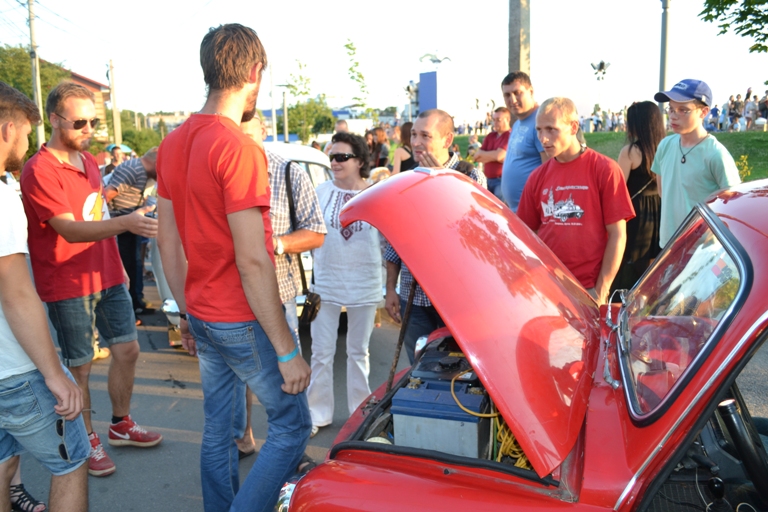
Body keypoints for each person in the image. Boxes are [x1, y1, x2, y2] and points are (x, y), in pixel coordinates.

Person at [156, 24, 311, 512]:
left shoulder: (173, 142)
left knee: (218, 427)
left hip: (203, 311)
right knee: (292, 425)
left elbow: (167, 240)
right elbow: (252, 258)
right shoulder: (238, 146)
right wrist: (287, 351)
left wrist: (185, 312)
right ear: (253, 72)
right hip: (239, 317)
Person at [20, 81, 162, 478]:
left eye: (93, 121)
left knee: (128, 350)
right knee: (80, 367)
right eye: (79, 121)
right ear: (53, 118)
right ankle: (87, 439)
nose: (88, 129)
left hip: (108, 273)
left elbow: (94, 216)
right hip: (67, 283)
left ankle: (120, 423)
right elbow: (68, 229)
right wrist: (127, 222)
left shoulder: (87, 162)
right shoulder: (40, 169)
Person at [0, 81, 90, 512]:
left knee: (1, 463)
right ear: (6, 130)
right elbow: (16, 293)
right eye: (23, 131)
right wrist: (55, 375)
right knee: (71, 463)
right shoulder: (1, 196)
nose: (26, 143)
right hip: (13, 370)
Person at [235, 115, 326, 461]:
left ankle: (292, 449)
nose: (240, 143)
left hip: (278, 296)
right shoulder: (222, 171)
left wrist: (275, 244)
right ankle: (243, 436)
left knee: (289, 374)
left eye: (248, 135)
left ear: (264, 133)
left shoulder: (289, 172)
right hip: (231, 296)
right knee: (236, 377)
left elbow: (316, 231)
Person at [384, 109, 484, 363]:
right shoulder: (406, 179)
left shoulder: (470, 176)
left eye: (425, 135)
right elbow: (395, 240)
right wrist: (390, 288)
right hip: (412, 295)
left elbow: (472, 235)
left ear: (447, 140)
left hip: (456, 298)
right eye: (414, 134)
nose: (415, 142)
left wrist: (441, 180)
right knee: (418, 372)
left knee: (459, 371)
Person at [517, 97, 635, 304]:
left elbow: (618, 234)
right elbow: (524, 234)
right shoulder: (537, 177)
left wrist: (601, 289)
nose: (543, 139)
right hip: (546, 287)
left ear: (573, 127)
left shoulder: (605, 169)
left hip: (587, 288)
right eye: (539, 130)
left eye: (551, 129)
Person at [306, 132, 381, 438]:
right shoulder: (320, 191)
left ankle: (358, 414)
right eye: (331, 157)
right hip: (326, 281)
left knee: (358, 352)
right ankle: (316, 413)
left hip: (365, 281)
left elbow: (387, 239)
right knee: (321, 352)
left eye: (341, 157)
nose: (334, 162)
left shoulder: (377, 195)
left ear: (360, 161)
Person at [652, 79, 741, 248]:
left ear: (704, 112)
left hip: (703, 251)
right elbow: (663, 190)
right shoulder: (665, 146)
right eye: (670, 109)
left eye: (683, 110)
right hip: (668, 245)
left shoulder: (716, 154)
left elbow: (734, 205)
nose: (673, 115)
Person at [612, 101, 665, 292]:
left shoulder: (630, 152)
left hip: (637, 212)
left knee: (633, 261)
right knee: (656, 259)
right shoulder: (666, 148)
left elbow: (618, 188)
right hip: (660, 209)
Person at [104, 147, 158, 316]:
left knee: (135, 264)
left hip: (129, 223)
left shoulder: (143, 172)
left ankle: (136, 301)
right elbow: (106, 195)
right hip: (121, 225)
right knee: (128, 265)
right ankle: (130, 305)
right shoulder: (133, 169)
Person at [499, 71, 548, 212]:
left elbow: (549, 170)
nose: (512, 100)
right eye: (507, 95)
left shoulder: (541, 122)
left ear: (531, 91)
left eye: (517, 93)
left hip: (532, 212)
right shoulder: (517, 124)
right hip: (515, 211)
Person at [473, 107, 511, 200]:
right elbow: (477, 157)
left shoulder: (510, 135)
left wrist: (486, 155)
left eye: (498, 120)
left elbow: (499, 156)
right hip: (487, 180)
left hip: (501, 181)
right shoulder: (490, 136)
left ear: (508, 120)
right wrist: (496, 156)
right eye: (494, 120)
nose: (495, 122)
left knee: (500, 209)